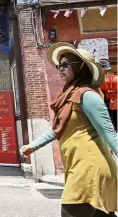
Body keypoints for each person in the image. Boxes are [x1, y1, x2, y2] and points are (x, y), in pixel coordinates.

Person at [20, 42, 117, 217]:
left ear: (80, 67)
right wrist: (33, 146)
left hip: (90, 167)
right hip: (77, 165)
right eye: (59, 65)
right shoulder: (70, 96)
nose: (60, 69)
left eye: (66, 64)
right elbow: (58, 129)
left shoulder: (87, 95)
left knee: (71, 211)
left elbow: (109, 133)